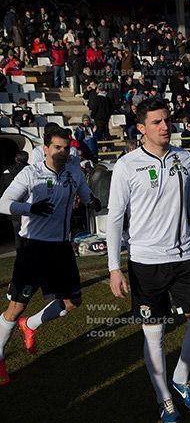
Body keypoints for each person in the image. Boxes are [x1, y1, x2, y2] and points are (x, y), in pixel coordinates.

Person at [106, 98, 190, 422]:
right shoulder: (126, 166)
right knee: (154, 332)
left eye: (167, 120)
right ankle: (164, 398)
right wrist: (114, 267)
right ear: (141, 128)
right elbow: (115, 218)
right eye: (156, 122)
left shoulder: (185, 159)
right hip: (145, 262)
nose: (165, 126)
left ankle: (180, 379)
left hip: (184, 256)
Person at [0, 127, 101, 386]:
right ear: (45, 149)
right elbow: (3, 202)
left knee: (73, 301)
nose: (62, 152)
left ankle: (30, 325)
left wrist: (92, 201)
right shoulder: (31, 173)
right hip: (32, 248)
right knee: (15, 307)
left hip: (61, 248)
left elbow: (84, 192)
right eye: (57, 147)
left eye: (66, 148)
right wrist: (30, 208)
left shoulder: (73, 171)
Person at [0, 151, 29, 249]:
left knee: (18, 237)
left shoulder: (7, 172)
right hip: (29, 207)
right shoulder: (31, 170)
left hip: (14, 208)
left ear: (16, 159)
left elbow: (2, 189)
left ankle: (20, 255)